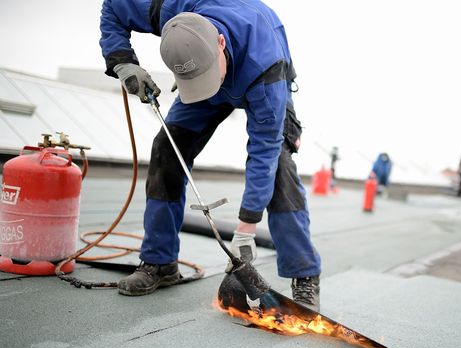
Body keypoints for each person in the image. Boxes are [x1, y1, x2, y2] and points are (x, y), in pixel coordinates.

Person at [99, 0, 321, 311]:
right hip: (208, 68)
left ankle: (304, 275)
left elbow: (263, 152)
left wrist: (246, 226)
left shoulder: (266, 66)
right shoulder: (168, 9)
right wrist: (122, 60)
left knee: (279, 167)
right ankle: (160, 262)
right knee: (167, 148)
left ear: (219, 43)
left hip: (258, 76)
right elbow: (112, 8)